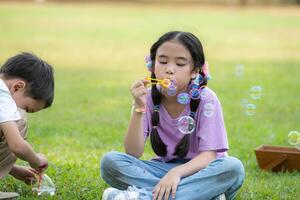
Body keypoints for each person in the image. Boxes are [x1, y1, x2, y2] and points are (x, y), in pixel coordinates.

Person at [100, 31, 245, 200]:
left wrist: (177, 173)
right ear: (152, 65)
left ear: (194, 71)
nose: (169, 69)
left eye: (180, 64)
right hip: (164, 170)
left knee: (233, 167)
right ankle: (203, 194)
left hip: (204, 171)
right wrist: (139, 107)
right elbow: (133, 152)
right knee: (110, 162)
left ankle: (141, 197)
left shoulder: (206, 99)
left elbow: (209, 156)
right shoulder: (147, 98)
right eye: (162, 61)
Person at [0, 52, 55, 199]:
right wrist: (36, 160)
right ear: (17, 87)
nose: (25, 111)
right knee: (19, 120)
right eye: (27, 108)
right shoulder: (3, 96)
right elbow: (17, 146)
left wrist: (13, 169)